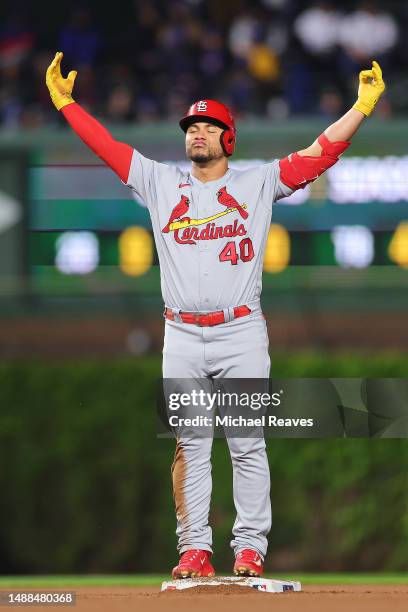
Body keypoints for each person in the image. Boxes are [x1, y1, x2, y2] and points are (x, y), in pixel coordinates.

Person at [45, 51, 385, 579]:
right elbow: (108, 148)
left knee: (247, 443)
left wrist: (361, 106)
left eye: (208, 126)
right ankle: (194, 551)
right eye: (192, 126)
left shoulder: (258, 184)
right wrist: (68, 106)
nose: (197, 133)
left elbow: (319, 154)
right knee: (190, 445)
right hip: (179, 332)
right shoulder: (160, 183)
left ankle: (250, 549)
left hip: (241, 330)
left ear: (229, 138)